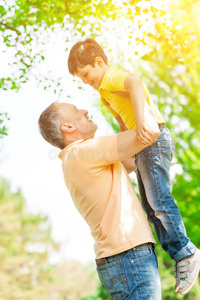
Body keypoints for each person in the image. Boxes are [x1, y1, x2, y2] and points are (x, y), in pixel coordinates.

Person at [67, 38, 200, 295]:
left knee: (158, 200)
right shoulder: (104, 94)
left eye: (85, 74)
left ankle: (186, 252)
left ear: (99, 63)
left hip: (153, 138)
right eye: (80, 78)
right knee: (150, 207)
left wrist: (142, 120)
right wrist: (129, 144)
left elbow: (135, 84)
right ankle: (177, 254)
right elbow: (121, 124)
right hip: (141, 146)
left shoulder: (111, 78)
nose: (85, 81)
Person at [38, 101, 162, 299]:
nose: (85, 110)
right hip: (128, 256)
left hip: (122, 258)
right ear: (68, 127)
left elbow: (131, 159)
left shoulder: (76, 158)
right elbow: (150, 131)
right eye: (76, 110)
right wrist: (133, 89)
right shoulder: (84, 151)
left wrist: (121, 117)